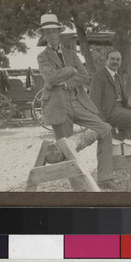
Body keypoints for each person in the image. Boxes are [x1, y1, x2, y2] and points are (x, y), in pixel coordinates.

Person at [35, 14, 116, 190]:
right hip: (57, 104)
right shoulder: (42, 57)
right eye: (47, 33)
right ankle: (79, 189)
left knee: (105, 129)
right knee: (65, 146)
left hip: (78, 100)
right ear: (44, 36)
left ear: (59, 32)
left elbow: (84, 75)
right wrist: (70, 69)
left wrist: (66, 81)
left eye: (54, 31)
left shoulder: (71, 53)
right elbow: (50, 77)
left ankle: (105, 177)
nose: (51, 35)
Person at [89, 50, 131, 137]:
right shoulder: (98, 77)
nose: (115, 61)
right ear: (106, 60)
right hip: (109, 112)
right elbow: (94, 101)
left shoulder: (119, 77)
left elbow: (124, 99)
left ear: (120, 61)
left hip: (122, 110)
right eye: (112, 59)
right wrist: (100, 122)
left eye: (118, 59)